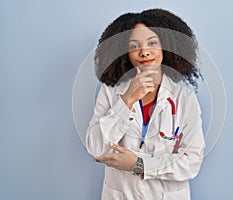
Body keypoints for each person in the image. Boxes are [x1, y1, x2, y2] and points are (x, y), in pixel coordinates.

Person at [85, 8, 206, 200]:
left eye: (152, 43)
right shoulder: (111, 92)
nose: (144, 52)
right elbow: (95, 147)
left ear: (166, 46)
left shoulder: (184, 98)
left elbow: (191, 162)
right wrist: (128, 99)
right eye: (134, 46)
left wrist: (138, 165)